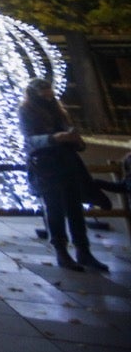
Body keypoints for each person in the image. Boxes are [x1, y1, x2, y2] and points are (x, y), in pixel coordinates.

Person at [19, 77, 109, 271]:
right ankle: (61, 252)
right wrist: (54, 138)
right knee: (55, 210)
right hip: (47, 167)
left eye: (49, 92)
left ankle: (83, 251)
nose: (48, 95)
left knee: (75, 209)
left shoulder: (59, 111)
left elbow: (71, 134)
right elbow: (29, 140)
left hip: (68, 164)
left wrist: (74, 139)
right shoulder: (26, 111)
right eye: (44, 92)